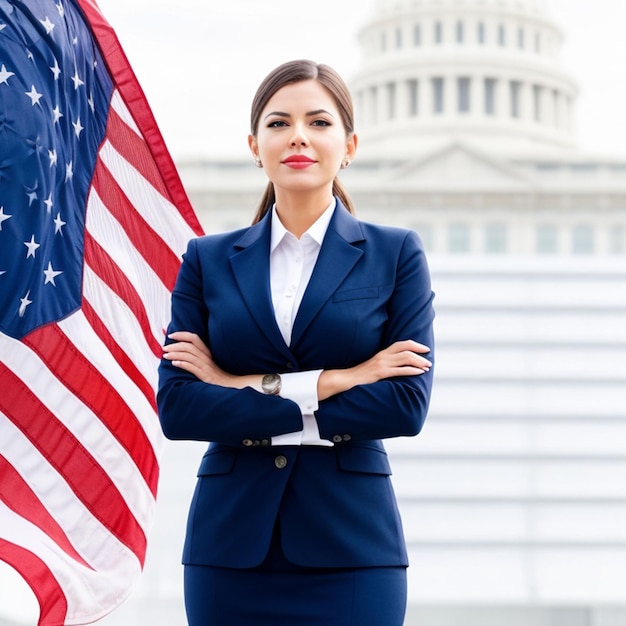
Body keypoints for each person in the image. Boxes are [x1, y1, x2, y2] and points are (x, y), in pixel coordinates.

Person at [157, 59, 435, 626]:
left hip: (352, 548)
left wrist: (235, 388)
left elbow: (404, 406)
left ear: (349, 144)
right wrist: (340, 380)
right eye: (279, 123)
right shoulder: (207, 261)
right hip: (230, 548)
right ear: (255, 144)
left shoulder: (396, 254)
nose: (298, 137)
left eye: (319, 122)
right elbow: (181, 408)